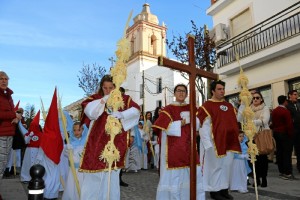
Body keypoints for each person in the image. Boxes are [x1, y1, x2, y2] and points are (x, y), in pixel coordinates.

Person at [79, 74, 140, 200]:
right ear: (101, 87)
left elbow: (136, 110)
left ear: (115, 87)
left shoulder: (124, 99)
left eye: (111, 88)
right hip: (96, 142)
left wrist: (122, 114)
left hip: (115, 143)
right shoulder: (95, 98)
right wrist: (104, 100)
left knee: (112, 175)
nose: (108, 90)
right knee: (94, 175)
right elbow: (91, 113)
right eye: (105, 88)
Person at [153, 84, 205, 200]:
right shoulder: (168, 109)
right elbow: (164, 128)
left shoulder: (192, 108)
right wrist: (183, 122)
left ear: (187, 94)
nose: (181, 93)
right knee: (175, 179)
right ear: (175, 93)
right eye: (178, 91)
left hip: (190, 147)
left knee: (191, 174)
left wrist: (193, 118)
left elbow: (198, 126)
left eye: (183, 91)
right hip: (174, 149)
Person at [197, 80, 241, 200]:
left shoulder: (229, 106)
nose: (222, 91)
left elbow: (235, 121)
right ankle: (214, 191)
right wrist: (207, 144)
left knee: (227, 166)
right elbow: (203, 126)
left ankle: (223, 188)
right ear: (213, 91)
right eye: (219, 89)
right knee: (215, 167)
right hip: (214, 143)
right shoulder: (206, 106)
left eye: (223, 89)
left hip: (229, 141)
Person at [240, 91, 271, 187]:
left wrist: (251, 121)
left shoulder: (265, 108)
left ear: (261, 99)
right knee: (253, 159)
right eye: (253, 98)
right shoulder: (249, 109)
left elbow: (265, 121)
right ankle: (256, 179)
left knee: (262, 159)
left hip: (261, 136)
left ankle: (264, 178)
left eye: (257, 97)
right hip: (251, 136)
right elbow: (243, 120)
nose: (255, 99)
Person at [0, 71, 22, 199]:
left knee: (2, 166)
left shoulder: (8, 96)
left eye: (6, 79)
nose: (4, 81)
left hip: (9, 133)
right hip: (1, 134)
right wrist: (14, 115)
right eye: (1, 79)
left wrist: (17, 118)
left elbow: (11, 112)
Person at [62, 121, 88, 200]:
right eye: (74, 130)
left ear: (83, 130)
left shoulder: (87, 140)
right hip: (73, 169)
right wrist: (67, 149)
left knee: (84, 185)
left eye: (79, 130)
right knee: (72, 185)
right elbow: (66, 154)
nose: (76, 132)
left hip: (84, 170)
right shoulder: (70, 140)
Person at [272, 95, 294, 179]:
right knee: (287, 153)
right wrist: (291, 134)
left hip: (277, 133)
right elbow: (289, 124)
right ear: (285, 101)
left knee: (279, 152)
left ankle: (281, 171)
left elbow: (273, 123)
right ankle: (287, 172)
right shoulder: (285, 111)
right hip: (285, 134)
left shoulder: (274, 111)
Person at [20, 110, 43, 183]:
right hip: (29, 151)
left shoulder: (41, 135)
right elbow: (26, 141)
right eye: (31, 125)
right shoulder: (28, 133)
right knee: (27, 164)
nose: (32, 127)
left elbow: (42, 144)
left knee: (36, 164)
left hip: (37, 151)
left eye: (34, 126)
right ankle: (25, 178)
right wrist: (29, 136)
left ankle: (36, 178)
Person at [286, 90, 300, 173]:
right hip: (295, 131)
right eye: (295, 94)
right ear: (290, 96)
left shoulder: (298, 103)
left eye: (297, 94)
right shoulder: (288, 105)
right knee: (298, 149)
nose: (296, 96)